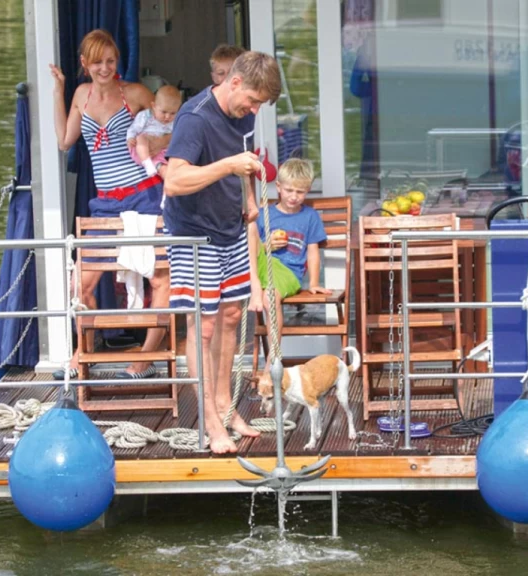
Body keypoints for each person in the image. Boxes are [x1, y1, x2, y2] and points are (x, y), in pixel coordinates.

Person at [163, 51, 281, 454]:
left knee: (231, 317)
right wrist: (227, 165)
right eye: (252, 100)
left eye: (260, 105)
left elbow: (243, 170)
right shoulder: (195, 118)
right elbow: (174, 181)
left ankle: (226, 405)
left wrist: (247, 197)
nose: (254, 110)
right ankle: (210, 421)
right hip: (194, 233)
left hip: (231, 228)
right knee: (204, 325)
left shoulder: (243, 115)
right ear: (233, 82)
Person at [49, 29, 170, 380]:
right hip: (105, 202)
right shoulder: (81, 94)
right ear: (84, 63)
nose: (106, 68)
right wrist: (58, 90)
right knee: (80, 285)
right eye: (98, 62)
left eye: (111, 60)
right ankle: (83, 353)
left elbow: (179, 126)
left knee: (160, 277)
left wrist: (155, 139)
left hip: (144, 193)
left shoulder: (134, 93)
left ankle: (145, 359)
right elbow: (64, 140)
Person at [251, 158, 330, 364]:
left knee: (269, 298)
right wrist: (266, 245)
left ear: (308, 190)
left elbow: (313, 252)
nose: (294, 196)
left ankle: (272, 360)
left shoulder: (310, 216)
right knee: (251, 242)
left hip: (289, 273)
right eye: (289, 190)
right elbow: (251, 250)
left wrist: (313, 282)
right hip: (261, 269)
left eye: (300, 192)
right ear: (278, 187)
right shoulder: (264, 215)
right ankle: (255, 292)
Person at [126, 85, 182, 178]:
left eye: (173, 113)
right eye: (164, 112)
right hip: (142, 152)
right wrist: (130, 137)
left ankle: (168, 188)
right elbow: (134, 128)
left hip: (162, 153)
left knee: (168, 172)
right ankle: (147, 163)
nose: (167, 117)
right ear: (154, 106)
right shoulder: (146, 116)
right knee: (140, 137)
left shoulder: (175, 121)